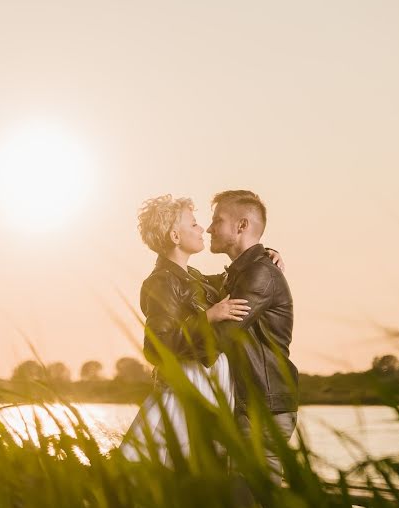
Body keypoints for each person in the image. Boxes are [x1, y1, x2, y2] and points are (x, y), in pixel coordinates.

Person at [119, 194, 250, 463]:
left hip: (204, 393)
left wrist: (264, 255)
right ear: (175, 236)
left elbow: (233, 277)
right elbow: (156, 348)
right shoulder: (162, 282)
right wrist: (209, 317)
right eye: (193, 224)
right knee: (175, 474)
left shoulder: (194, 278)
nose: (202, 229)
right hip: (187, 396)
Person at [207, 190, 298, 484]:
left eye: (217, 220)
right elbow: (185, 280)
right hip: (250, 407)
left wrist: (167, 347)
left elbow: (219, 339)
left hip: (263, 411)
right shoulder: (241, 273)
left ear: (241, 226)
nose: (209, 228)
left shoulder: (260, 274)